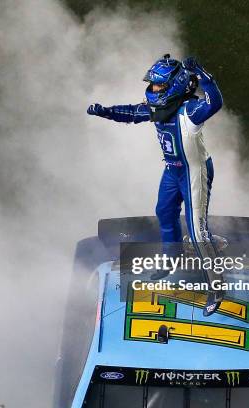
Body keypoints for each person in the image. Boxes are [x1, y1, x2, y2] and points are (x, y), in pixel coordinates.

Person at [87, 54, 224, 316]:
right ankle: (172, 258)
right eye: (152, 85)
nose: (153, 90)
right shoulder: (157, 109)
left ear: (174, 86)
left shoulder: (189, 111)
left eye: (158, 86)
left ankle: (216, 289)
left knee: (198, 233)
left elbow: (214, 102)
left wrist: (204, 75)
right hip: (173, 171)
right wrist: (105, 111)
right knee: (164, 212)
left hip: (194, 172)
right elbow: (130, 113)